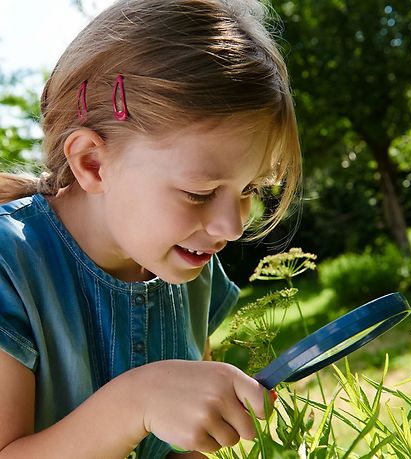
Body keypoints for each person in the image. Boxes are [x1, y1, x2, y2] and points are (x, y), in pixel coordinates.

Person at [0, 0, 301, 457]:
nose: (232, 226)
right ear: (93, 164)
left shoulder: (193, 274)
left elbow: (185, 450)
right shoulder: (11, 267)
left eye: (250, 189)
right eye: (200, 193)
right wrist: (136, 401)